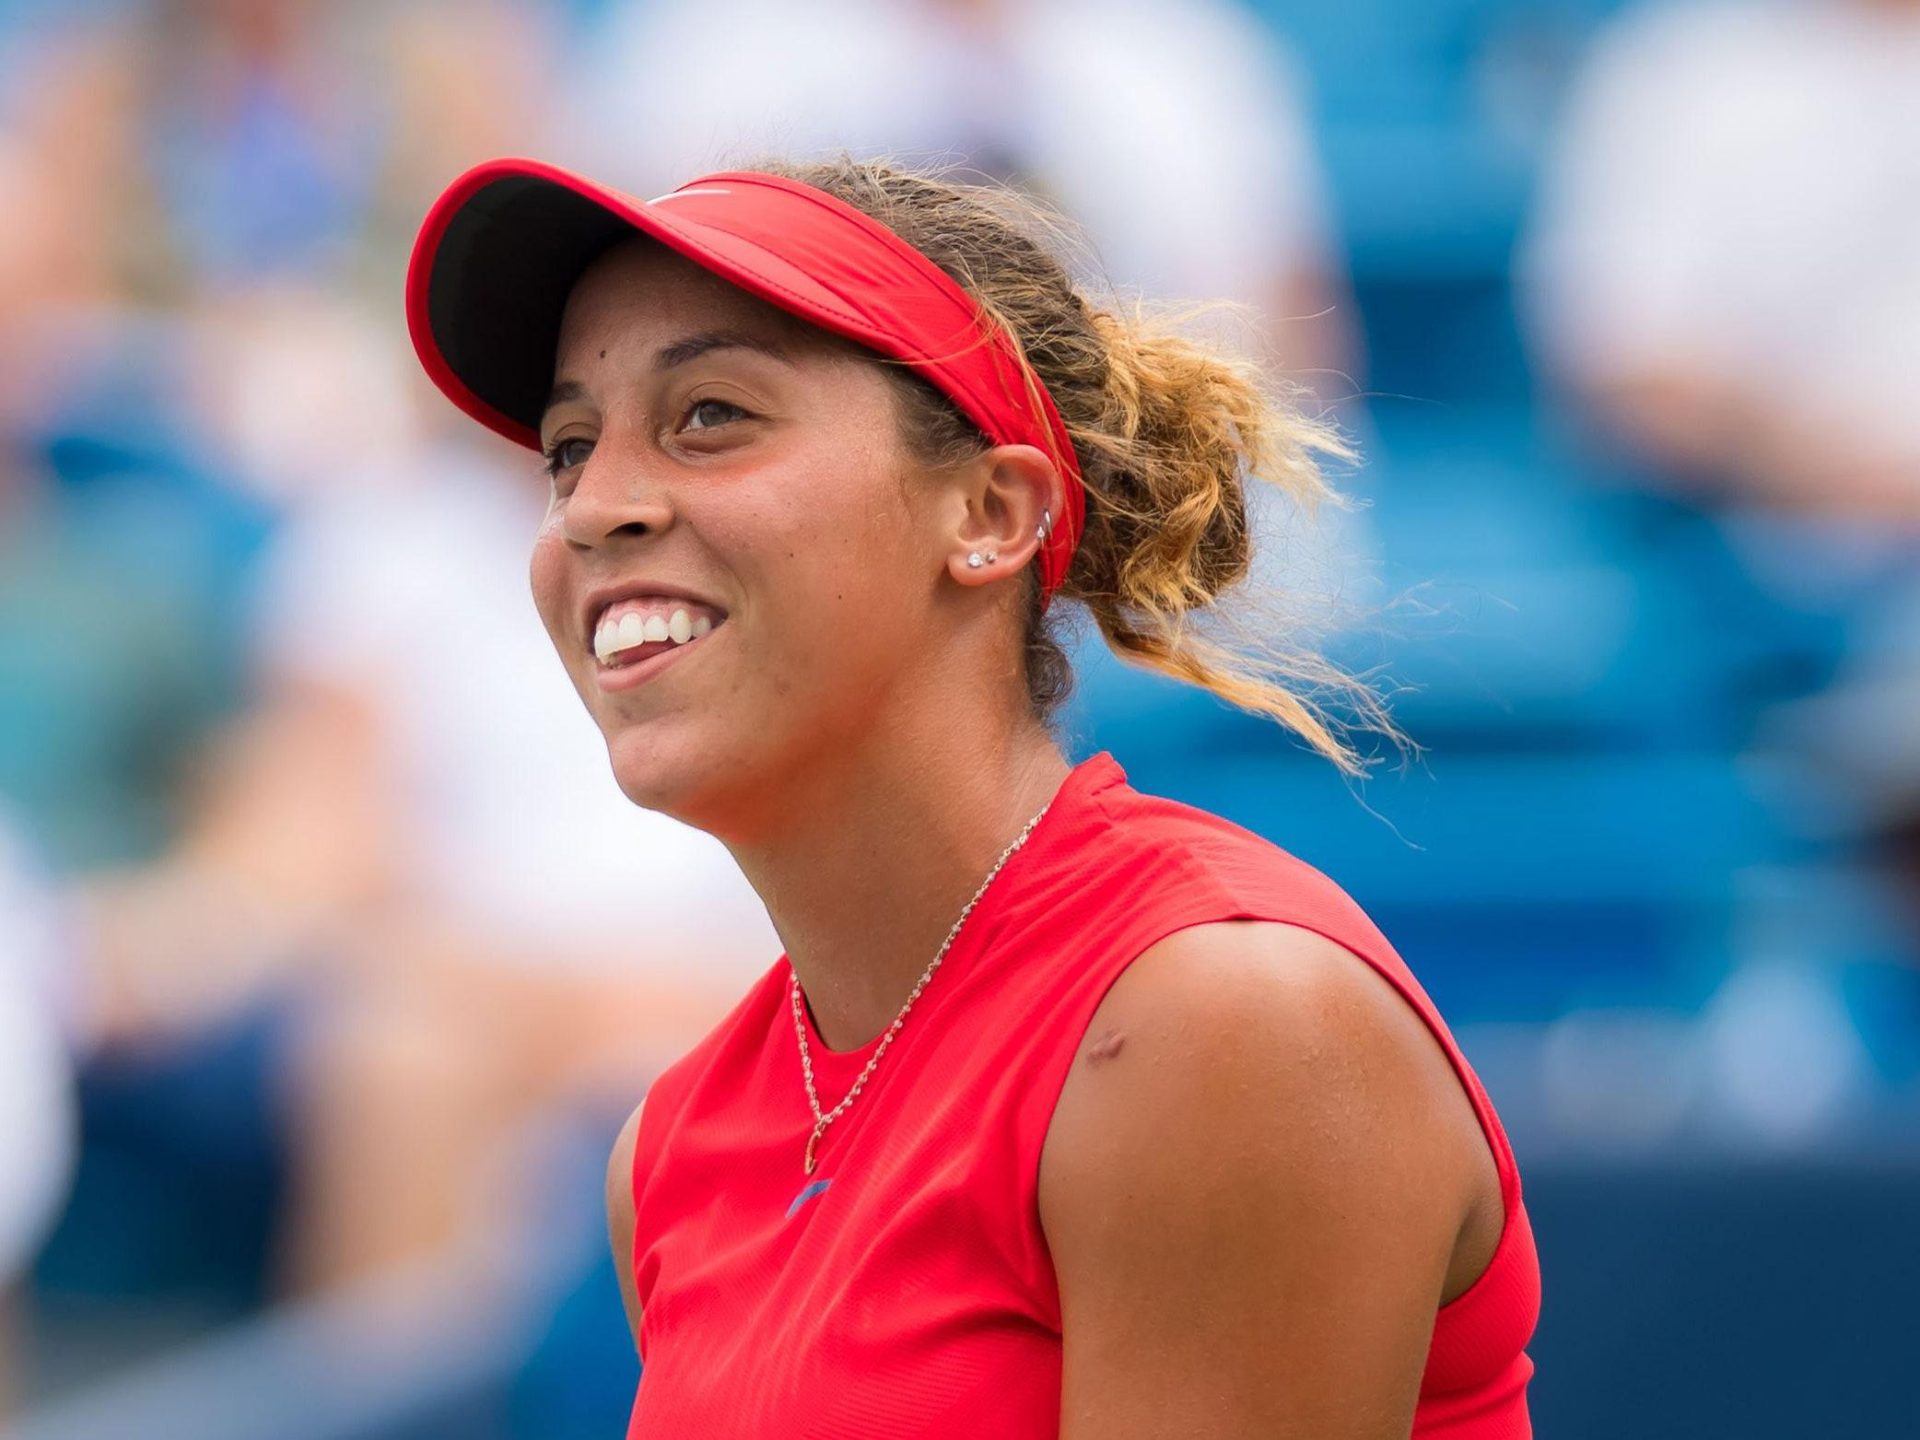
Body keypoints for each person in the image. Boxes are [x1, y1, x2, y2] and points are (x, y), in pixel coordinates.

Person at [404, 154, 1539, 1436]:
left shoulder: (1218, 1023)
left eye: (711, 415)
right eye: (567, 451)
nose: (595, 506)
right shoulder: (666, 1151)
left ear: (992, 513)